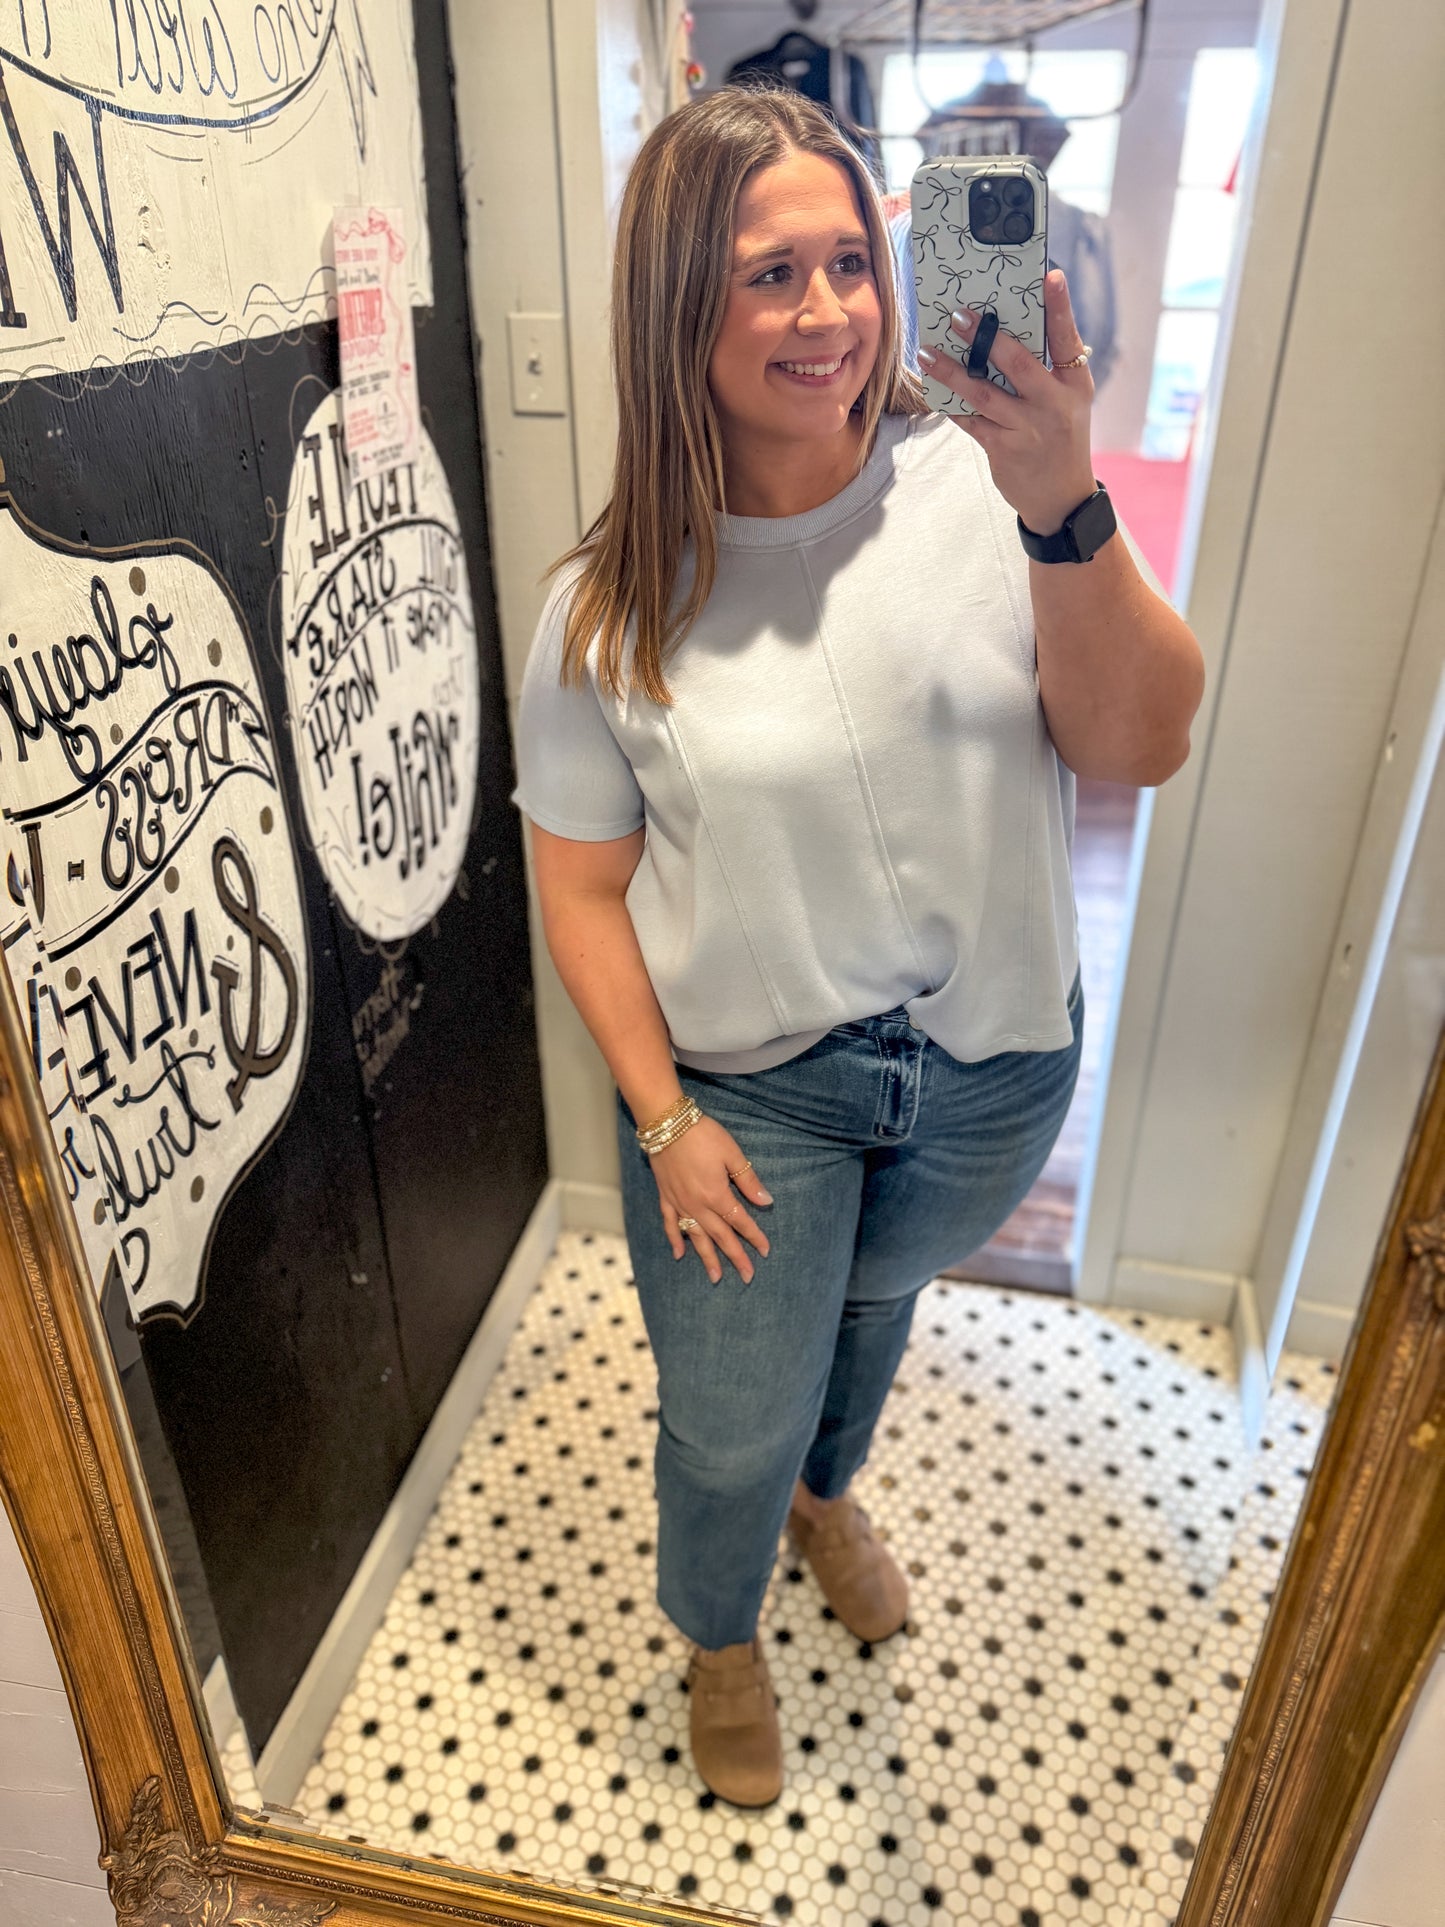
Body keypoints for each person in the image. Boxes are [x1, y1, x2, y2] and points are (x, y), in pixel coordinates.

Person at [511, 85, 1203, 1809]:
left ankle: (831, 1498)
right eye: (770, 275)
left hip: (989, 1069)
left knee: (875, 1311)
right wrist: (664, 1123)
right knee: (728, 1407)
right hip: (760, 1095)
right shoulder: (607, 605)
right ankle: (717, 1629)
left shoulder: (987, 485)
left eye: (850, 263)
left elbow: (1142, 742)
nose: (829, 313)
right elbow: (583, 892)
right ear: (681, 303)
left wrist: (1067, 503)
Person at [888, 72, 1119, 386]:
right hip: (934, 408)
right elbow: (1101, 342)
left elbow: (1098, 341)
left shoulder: (1080, 231)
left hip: (1018, 408)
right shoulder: (902, 223)